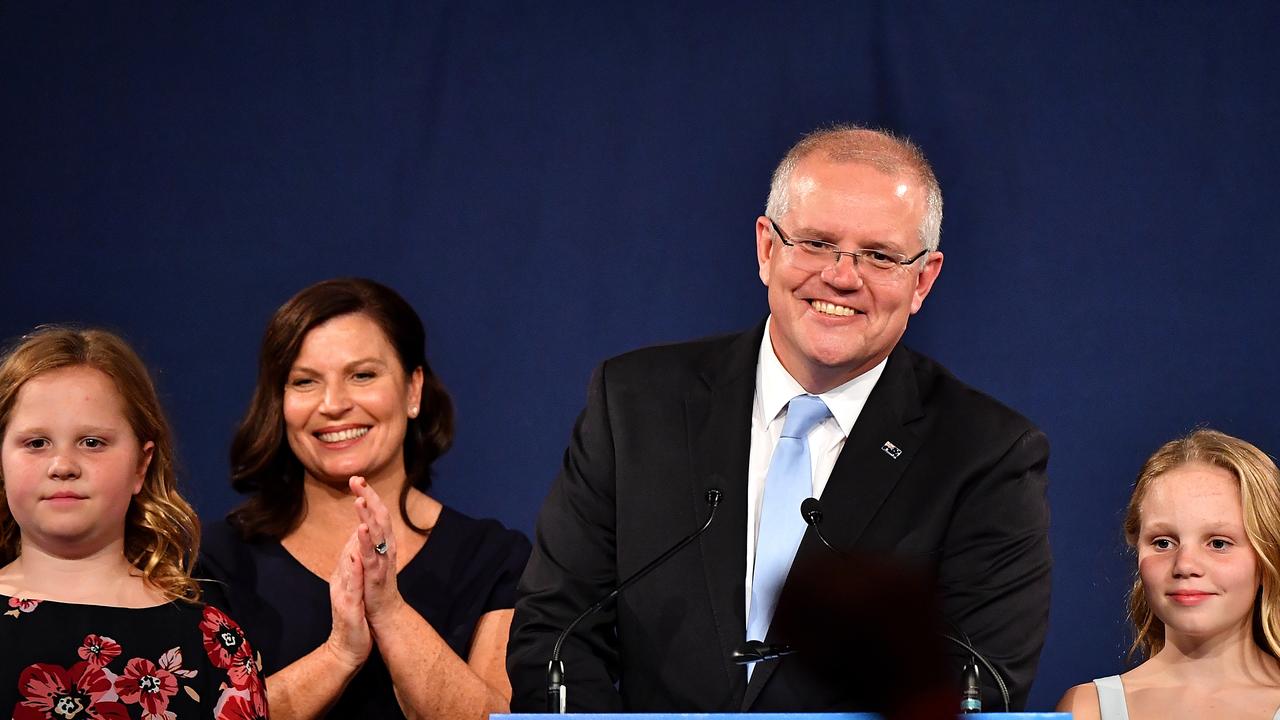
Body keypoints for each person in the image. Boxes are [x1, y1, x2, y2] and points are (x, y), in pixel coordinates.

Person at [507, 124, 1052, 712]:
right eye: (816, 243)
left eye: (879, 255)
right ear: (767, 248)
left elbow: (977, 685)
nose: (843, 277)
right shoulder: (636, 404)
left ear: (923, 279)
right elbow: (556, 635)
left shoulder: (985, 453)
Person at [198, 278, 531, 719]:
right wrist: (339, 654)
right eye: (304, 381)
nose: (333, 403)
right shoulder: (216, 560)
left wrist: (389, 611)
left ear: (413, 391)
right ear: (279, 403)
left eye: (362, 375)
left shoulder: (495, 559)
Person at [0, 326, 268, 720]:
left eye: (92, 442)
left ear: (141, 464)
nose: (62, 466)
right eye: (36, 443)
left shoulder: (212, 643)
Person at [1057, 429, 1280, 719]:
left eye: (1218, 543)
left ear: (1266, 556)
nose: (1185, 565)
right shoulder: (1088, 708)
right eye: (1163, 542)